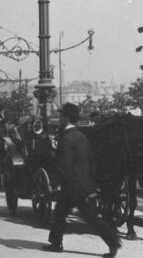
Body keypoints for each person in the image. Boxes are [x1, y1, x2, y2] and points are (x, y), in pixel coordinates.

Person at [43, 103, 121, 257]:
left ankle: (113, 242)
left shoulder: (66, 139)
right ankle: (56, 242)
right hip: (84, 185)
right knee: (68, 213)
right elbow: (91, 162)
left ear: (67, 118)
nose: (59, 118)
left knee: (72, 214)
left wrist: (57, 183)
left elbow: (64, 164)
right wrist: (90, 184)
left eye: (61, 116)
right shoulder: (82, 137)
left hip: (71, 186)